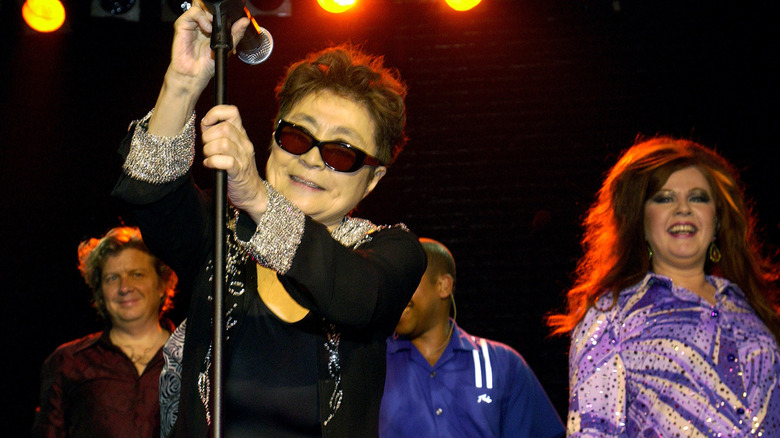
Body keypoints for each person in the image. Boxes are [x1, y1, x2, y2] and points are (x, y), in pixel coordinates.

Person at [110, 3, 427, 437]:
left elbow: (358, 296)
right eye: (297, 136)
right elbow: (152, 195)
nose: (313, 160)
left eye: (341, 153)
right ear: (274, 139)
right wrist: (183, 83)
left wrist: (258, 198)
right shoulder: (219, 234)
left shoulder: (392, 251)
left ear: (372, 180)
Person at [547, 136, 780, 436]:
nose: (683, 209)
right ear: (639, 220)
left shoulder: (753, 307)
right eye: (664, 198)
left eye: (698, 197)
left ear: (718, 219)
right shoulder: (610, 318)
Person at [380, 238, 565, 438]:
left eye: (407, 281)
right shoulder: (373, 365)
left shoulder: (503, 364)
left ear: (443, 285)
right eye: (393, 285)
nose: (396, 295)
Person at [32, 226, 177, 437]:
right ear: (100, 292)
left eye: (137, 274)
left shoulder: (193, 358)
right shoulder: (69, 362)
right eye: (112, 278)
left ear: (162, 283)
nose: (124, 287)